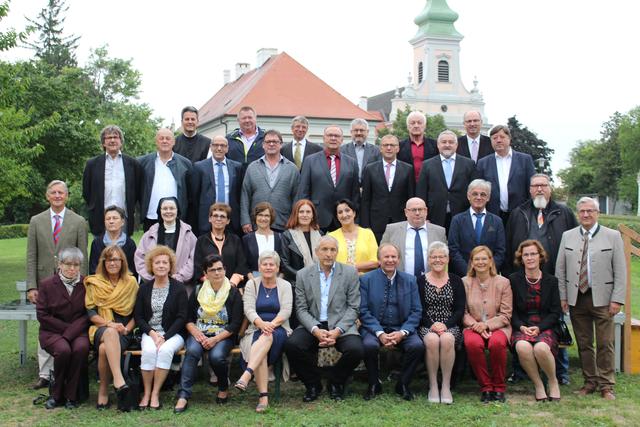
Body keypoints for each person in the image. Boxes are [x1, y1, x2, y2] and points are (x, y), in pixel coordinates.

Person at [505, 173, 577, 385]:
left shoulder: (563, 212)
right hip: (522, 278)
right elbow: (510, 245)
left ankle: (561, 372)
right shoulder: (518, 213)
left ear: (550, 188)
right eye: (535, 186)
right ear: (529, 189)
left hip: (553, 277)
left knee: (556, 322)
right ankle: (520, 371)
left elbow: (573, 243)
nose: (539, 189)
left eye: (543, 185)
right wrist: (511, 277)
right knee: (521, 322)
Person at [556, 197, 626, 400]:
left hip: (604, 299)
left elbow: (620, 271)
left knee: (605, 343)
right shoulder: (567, 236)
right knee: (584, 343)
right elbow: (561, 270)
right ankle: (590, 381)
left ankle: (606, 385)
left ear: (597, 213)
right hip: (577, 298)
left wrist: (617, 299)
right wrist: (563, 296)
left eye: (590, 211)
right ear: (578, 214)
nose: (586, 215)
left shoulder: (612, 236)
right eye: (582, 211)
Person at [284, 236, 364, 402]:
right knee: (292, 346)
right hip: (313, 323)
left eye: (332, 250)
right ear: (316, 252)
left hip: (341, 325)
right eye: (324, 250)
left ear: (337, 252)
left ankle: (335, 381)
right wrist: (315, 329)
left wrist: (337, 331)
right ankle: (313, 384)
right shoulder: (303, 275)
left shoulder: (349, 273)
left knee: (356, 349)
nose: (328, 254)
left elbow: (354, 307)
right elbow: (301, 308)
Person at [27, 180, 88, 390]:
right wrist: (31, 286)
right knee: (46, 326)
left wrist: (84, 283)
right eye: (53, 192)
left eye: (61, 192)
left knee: (70, 324)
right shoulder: (36, 221)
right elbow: (31, 255)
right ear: (47, 196)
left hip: (71, 283)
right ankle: (45, 373)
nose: (57, 196)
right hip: (45, 283)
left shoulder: (79, 221)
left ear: (67, 196)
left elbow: (84, 256)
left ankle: (66, 368)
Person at [174, 254, 243, 413]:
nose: (217, 273)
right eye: (212, 270)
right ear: (205, 273)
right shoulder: (198, 291)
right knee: (192, 352)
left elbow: (235, 323)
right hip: (199, 332)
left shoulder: (233, 293)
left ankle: (223, 387)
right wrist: (197, 334)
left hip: (223, 334)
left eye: (220, 269)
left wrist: (215, 339)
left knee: (216, 357)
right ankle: (184, 395)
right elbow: (188, 317)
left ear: (225, 270)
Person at [359, 243, 423, 401]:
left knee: (417, 346)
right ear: (379, 259)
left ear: (399, 259)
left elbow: (416, 311)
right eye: (386, 257)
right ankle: (374, 383)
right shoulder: (366, 280)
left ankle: (403, 383)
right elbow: (363, 310)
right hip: (374, 328)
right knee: (368, 345)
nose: (390, 260)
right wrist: (379, 333)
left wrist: (403, 332)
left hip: (401, 327)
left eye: (393, 256)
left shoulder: (410, 280)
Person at [235, 251, 293, 413]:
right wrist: (261, 324)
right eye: (264, 264)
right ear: (259, 267)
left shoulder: (285, 285)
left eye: (271, 264)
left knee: (265, 337)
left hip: (280, 328)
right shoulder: (252, 284)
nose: (268, 267)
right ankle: (263, 397)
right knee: (262, 346)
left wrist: (271, 325)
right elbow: (249, 309)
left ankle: (247, 374)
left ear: (277, 267)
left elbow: (286, 311)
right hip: (255, 327)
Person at [85, 245, 139, 411]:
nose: (112, 263)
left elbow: (137, 314)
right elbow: (91, 313)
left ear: (122, 262)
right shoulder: (95, 282)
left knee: (103, 350)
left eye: (116, 259)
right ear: (103, 262)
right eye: (108, 260)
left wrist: (126, 329)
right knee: (109, 333)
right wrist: (110, 324)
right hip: (100, 327)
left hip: (124, 331)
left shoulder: (131, 282)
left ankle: (103, 391)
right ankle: (118, 380)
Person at [134, 246, 188, 410]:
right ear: (152, 265)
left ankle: (156, 393)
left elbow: (182, 317)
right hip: (150, 332)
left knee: (165, 351)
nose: (161, 265)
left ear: (170, 266)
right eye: (157, 262)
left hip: (174, 333)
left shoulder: (179, 288)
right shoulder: (144, 289)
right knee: (149, 352)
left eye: (165, 262)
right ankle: (147, 393)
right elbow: (139, 317)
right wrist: (152, 333)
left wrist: (164, 337)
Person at [36, 247, 90, 409]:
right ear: (59, 264)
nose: (72, 269)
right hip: (52, 332)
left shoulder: (87, 283)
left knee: (80, 349)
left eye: (76, 265)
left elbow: (89, 313)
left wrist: (72, 332)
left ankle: (71, 396)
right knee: (64, 350)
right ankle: (56, 394)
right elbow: (42, 315)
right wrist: (67, 331)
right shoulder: (46, 284)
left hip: (79, 331)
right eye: (67, 264)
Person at [510, 240, 562, 402]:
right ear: (521, 258)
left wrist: (539, 328)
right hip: (522, 326)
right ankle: (538, 384)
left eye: (533, 254)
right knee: (522, 346)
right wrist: (521, 326)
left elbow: (555, 313)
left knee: (540, 348)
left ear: (540, 257)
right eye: (526, 254)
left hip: (545, 326)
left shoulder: (551, 281)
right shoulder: (513, 280)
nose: (530, 257)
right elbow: (510, 311)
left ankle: (553, 382)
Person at [462, 246, 512, 403]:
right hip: (472, 326)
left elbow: (506, 314)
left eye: (484, 259)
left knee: (497, 343)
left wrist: (487, 325)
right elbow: (462, 312)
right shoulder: (465, 282)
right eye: (476, 259)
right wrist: (476, 325)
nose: (480, 262)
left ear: (491, 262)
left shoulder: (503, 282)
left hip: (498, 326)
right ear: (472, 263)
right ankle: (486, 387)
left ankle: (499, 387)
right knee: (472, 343)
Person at [419, 242, 465, 404]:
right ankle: (433, 384)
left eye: (441, 256)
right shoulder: (421, 281)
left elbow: (460, 309)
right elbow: (419, 308)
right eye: (434, 257)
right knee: (431, 339)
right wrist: (432, 324)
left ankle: (445, 385)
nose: (437, 260)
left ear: (447, 259)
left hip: (450, 325)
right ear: (429, 260)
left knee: (447, 339)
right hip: (427, 324)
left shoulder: (456, 280)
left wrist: (446, 325)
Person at [296, 125, 360, 232]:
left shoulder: (352, 162)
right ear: (324, 138)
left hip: (343, 218)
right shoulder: (310, 161)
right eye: (330, 135)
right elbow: (303, 191)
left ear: (342, 140)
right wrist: (304, 215)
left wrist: (355, 218)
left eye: (337, 136)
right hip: (317, 216)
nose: (333, 138)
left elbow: (355, 194)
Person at [82, 125, 142, 237]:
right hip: (100, 217)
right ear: (103, 143)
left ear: (121, 141)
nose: (112, 140)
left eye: (116, 137)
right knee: (101, 251)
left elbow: (137, 191)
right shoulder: (92, 164)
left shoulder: (132, 164)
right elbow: (86, 192)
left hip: (124, 218)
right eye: (108, 138)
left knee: (123, 252)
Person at [416, 130, 479, 231]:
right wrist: (424, 217)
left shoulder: (469, 164)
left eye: (451, 142)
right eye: (444, 142)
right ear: (438, 145)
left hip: (462, 215)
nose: (447, 145)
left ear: (456, 145)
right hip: (434, 216)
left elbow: (474, 191)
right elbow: (421, 193)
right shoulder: (427, 165)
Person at [240, 129, 299, 233]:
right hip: (257, 223)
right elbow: (245, 195)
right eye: (268, 142)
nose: (271, 144)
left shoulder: (292, 169)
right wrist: (245, 220)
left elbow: (296, 197)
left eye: (275, 142)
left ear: (281, 144)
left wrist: (293, 221)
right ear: (263, 145)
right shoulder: (253, 167)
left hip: (283, 224)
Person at [360, 134, 415, 242]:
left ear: (398, 148)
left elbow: (411, 196)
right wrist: (365, 225)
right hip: (376, 221)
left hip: (400, 220)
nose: (389, 148)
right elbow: (365, 200)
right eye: (385, 145)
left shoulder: (408, 169)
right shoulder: (370, 169)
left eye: (392, 145)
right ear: (380, 148)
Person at [477, 125, 536, 224]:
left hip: (520, 215)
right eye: (494, 138)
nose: (498, 140)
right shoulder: (483, 163)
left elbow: (532, 187)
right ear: (491, 141)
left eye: (502, 137)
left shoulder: (525, 160)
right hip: (492, 216)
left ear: (509, 139)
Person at [138, 128, 193, 231]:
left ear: (173, 142)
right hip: (151, 216)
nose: (164, 141)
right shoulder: (142, 162)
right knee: (152, 247)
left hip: (175, 216)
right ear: (156, 141)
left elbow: (190, 194)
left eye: (168, 138)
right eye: (161, 138)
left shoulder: (185, 164)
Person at [448, 179, 505, 276]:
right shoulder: (457, 220)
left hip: (489, 276)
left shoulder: (497, 221)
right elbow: (453, 250)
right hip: (464, 276)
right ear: (468, 196)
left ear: (488, 197)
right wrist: (468, 272)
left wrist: (487, 271)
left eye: (483, 194)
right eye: (475, 194)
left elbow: (500, 251)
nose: (479, 197)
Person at [135, 197, 197, 286]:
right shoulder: (149, 235)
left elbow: (193, 259)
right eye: (164, 208)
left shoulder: (189, 234)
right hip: (154, 285)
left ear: (177, 210)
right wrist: (154, 278)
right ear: (160, 211)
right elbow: (140, 258)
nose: (168, 211)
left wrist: (179, 277)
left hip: (181, 286)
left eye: (172, 208)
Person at [380, 198, 447, 280]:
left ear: (426, 211)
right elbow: (381, 255)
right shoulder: (392, 230)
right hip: (399, 281)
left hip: (431, 283)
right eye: (414, 210)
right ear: (406, 212)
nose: (417, 213)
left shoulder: (439, 232)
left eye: (420, 209)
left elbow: (445, 259)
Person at [192, 135, 243, 236]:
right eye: (216, 145)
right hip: (207, 220)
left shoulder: (237, 167)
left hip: (231, 220)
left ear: (227, 148)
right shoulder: (199, 167)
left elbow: (238, 194)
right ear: (211, 147)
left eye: (223, 145)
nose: (219, 148)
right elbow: (195, 196)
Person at [193, 203, 248, 287]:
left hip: (232, 288)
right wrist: (214, 285)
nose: (218, 219)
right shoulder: (201, 240)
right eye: (215, 216)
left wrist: (231, 285)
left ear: (228, 221)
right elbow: (198, 268)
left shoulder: (235, 240)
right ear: (210, 219)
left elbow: (241, 265)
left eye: (222, 216)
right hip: (208, 289)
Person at [328, 198, 378, 275]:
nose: (344, 215)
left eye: (347, 210)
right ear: (337, 217)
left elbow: (376, 262)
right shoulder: (331, 236)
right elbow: (328, 262)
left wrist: (353, 267)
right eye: (340, 212)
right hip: (340, 280)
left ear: (354, 213)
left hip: (365, 280)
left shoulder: (368, 233)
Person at [280, 199, 322, 287]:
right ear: (296, 214)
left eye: (308, 212)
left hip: (319, 283)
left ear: (313, 215)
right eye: (301, 212)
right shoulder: (287, 235)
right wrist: (303, 277)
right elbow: (284, 264)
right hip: (296, 284)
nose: (305, 215)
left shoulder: (320, 235)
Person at [89, 205, 137, 277]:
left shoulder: (130, 244)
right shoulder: (97, 243)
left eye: (115, 218)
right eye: (108, 219)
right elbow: (93, 270)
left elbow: (133, 271)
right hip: (102, 284)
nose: (111, 221)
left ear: (122, 222)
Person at [242, 202, 283, 279]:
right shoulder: (247, 238)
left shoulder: (280, 238)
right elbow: (243, 264)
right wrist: (252, 280)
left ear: (271, 218)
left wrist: (279, 280)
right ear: (255, 217)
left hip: (276, 279)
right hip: (254, 279)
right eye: (260, 215)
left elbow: (284, 263)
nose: (263, 219)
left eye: (267, 215)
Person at [397, 111, 438, 181]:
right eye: (412, 123)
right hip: (406, 186)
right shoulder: (399, 146)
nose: (416, 126)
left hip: (429, 186)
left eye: (419, 123)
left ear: (425, 126)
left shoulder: (435, 146)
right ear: (407, 126)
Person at [339, 118, 381, 183]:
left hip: (369, 189)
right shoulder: (342, 150)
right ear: (351, 132)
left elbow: (379, 172)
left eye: (361, 130)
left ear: (367, 132)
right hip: (348, 189)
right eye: (356, 130)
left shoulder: (376, 151)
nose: (359, 133)